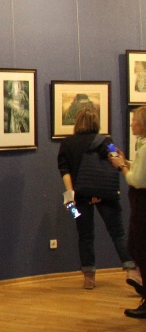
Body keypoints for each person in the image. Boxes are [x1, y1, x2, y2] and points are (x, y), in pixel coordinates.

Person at [56, 108, 137, 290]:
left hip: (77, 199)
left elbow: (64, 170)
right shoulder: (105, 141)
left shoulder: (66, 143)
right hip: (105, 195)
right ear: (96, 122)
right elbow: (115, 158)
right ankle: (131, 269)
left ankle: (88, 277)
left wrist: (70, 195)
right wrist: (123, 164)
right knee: (117, 232)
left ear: (77, 122)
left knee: (84, 234)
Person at [108, 106, 146, 318]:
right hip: (130, 202)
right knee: (132, 243)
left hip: (142, 204)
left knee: (138, 246)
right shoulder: (142, 146)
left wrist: (122, 166)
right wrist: (127, 163)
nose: (131, 124)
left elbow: (136, 179)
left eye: (135, 121)